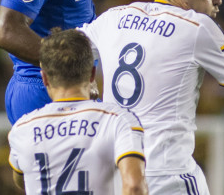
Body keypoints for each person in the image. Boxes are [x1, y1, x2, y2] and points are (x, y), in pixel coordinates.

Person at [79, 0, 224, 195]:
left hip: (117, 175)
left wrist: (87, 91)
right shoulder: (197, 26)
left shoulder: (113, 16)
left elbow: (62, 54)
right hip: (168, 177)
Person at [8, 28, 148, 195]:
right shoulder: (118, 120)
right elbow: (134, 186)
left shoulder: (22, 129)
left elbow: (21, 180)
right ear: (92, 74)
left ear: (44, 77)